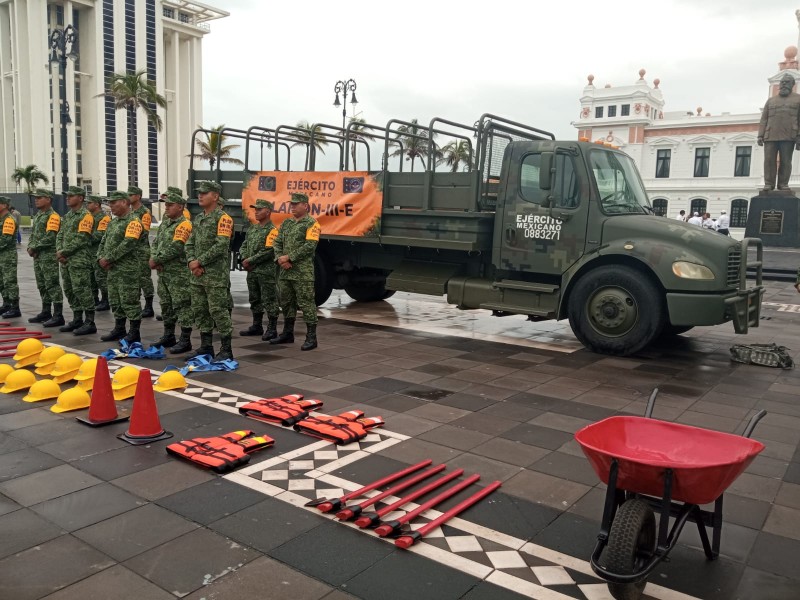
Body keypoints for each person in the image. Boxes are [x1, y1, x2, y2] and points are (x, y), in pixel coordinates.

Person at [185, 181, 234, 360]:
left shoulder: (224, 218)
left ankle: (226, 349)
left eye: (205, 193)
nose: (200, 195)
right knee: (200, 310)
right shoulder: (199, 218)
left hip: (215, 276)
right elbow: (190, 242)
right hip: (197, 276)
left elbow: (221, 245)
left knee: (218, 311)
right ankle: (206, 347)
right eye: (199, 193)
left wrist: (200, 262)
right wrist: (192, 261)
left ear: (215, 196)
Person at [270, 192, 321, 351]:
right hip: (285, 272)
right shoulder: (286, 223)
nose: (292, 206)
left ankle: (311, 337)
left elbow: (309, 247)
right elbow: (277, 242)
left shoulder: (312, 224)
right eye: (291, 204)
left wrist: (289, 258)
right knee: (286, 303)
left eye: (295, 204)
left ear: (305, 206)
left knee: (306, 304)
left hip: (302, 273)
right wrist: (280, 258)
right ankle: (287, 333)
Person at [150, 191, 194, 353]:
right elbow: (155, 242)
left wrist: (158, 259)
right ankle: (169, 335)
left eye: (170, 205)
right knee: (166, 304)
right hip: (164, 272)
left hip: (178, 273)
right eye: (166, 205)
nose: (166, 208)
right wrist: (155, 257)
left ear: (180, 207)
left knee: (182, 305)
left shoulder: (184, 224)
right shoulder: (166, 223)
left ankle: (185, 339)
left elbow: (177, 246)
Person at [97, 191, 143, 343]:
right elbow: (103, 241)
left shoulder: (134, 221)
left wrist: (108, 258)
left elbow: (128, 243)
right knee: (115, 300)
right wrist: (100, 258)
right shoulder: (113, 222)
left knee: (129, 301)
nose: (110, 206)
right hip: (113, 269)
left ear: (124, 202)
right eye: (109, 203)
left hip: (127, 270)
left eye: (113, 202)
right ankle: (119, 328)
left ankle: (134, 332)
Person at [56, 186, 97, 335]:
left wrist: (63, 252)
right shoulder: (68, 216)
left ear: (80, 198)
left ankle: (90, 322)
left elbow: (82, 238)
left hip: (79, 260)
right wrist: (60, 252)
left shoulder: (86, 215)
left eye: (71, 195)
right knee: (70, 290)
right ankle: (77, 318)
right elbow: (60, 235)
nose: (67, 198)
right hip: (66, 260)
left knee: (82, 290)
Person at [239, 199, 279, 339]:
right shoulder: (253, 229)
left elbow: (269, 251)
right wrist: (245, 258)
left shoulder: (272, 230)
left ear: (268, 212)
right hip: (252, 271)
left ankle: (272, 328)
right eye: (255, 209)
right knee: (254, 299)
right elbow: (244, 245)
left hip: (265, 272)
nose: (256, 212)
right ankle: (257, 325)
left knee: (269, 300)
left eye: (259, 209)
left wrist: (250, 260)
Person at [27, 189, 64, 327]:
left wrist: (35, 247)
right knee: (42, 284)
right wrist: (30, 247)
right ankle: (46, 311)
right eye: (35, 198)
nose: (36, 200)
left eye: (39, 197)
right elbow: (33, 235)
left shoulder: (53, 216)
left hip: (48, 256)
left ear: (48, 199)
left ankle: (58, 315)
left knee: (52, 284)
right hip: (38, 256)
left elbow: (50, 236)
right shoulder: (38, 216)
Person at [758, 73, 800, 192]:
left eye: (787, 82)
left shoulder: (798, 99)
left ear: (792, 84)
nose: (784, 84)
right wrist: (760, 135)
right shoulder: (771, 101)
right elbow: (764, 119)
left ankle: (783, 184)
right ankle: (768, 184)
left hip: (788, 136)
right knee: (769, 161)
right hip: (770, 135)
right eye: (782, 82)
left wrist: (799, 137)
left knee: (786, 161)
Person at [128, 185, 156, 318]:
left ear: (138, 196)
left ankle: (149, 306)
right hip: (131, 251)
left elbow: (143, 232)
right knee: (133, 279)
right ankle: (136, 304)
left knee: (144, 278)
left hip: (141, 250)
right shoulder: (129, 212)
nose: (128, 197)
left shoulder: (145, 212)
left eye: (131, 195)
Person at [87, 195, 111, 310]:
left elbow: (101, 234)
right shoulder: (89, 217)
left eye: (90, 203)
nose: (87, 205)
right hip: (89, 252)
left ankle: (106, 300)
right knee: (91, 278)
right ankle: (94, 299)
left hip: (98, 252)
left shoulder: (104, 218)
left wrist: (84, 238)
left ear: (97, 204)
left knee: (101, 278)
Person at [0, 197, 20, 318]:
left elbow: (5, 240)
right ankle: (6, 304)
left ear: (4, 205)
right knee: (1, 282)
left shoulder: (9, 220)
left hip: (8, 256)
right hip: (1, 255)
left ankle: (15, 307)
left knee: (10, 281)